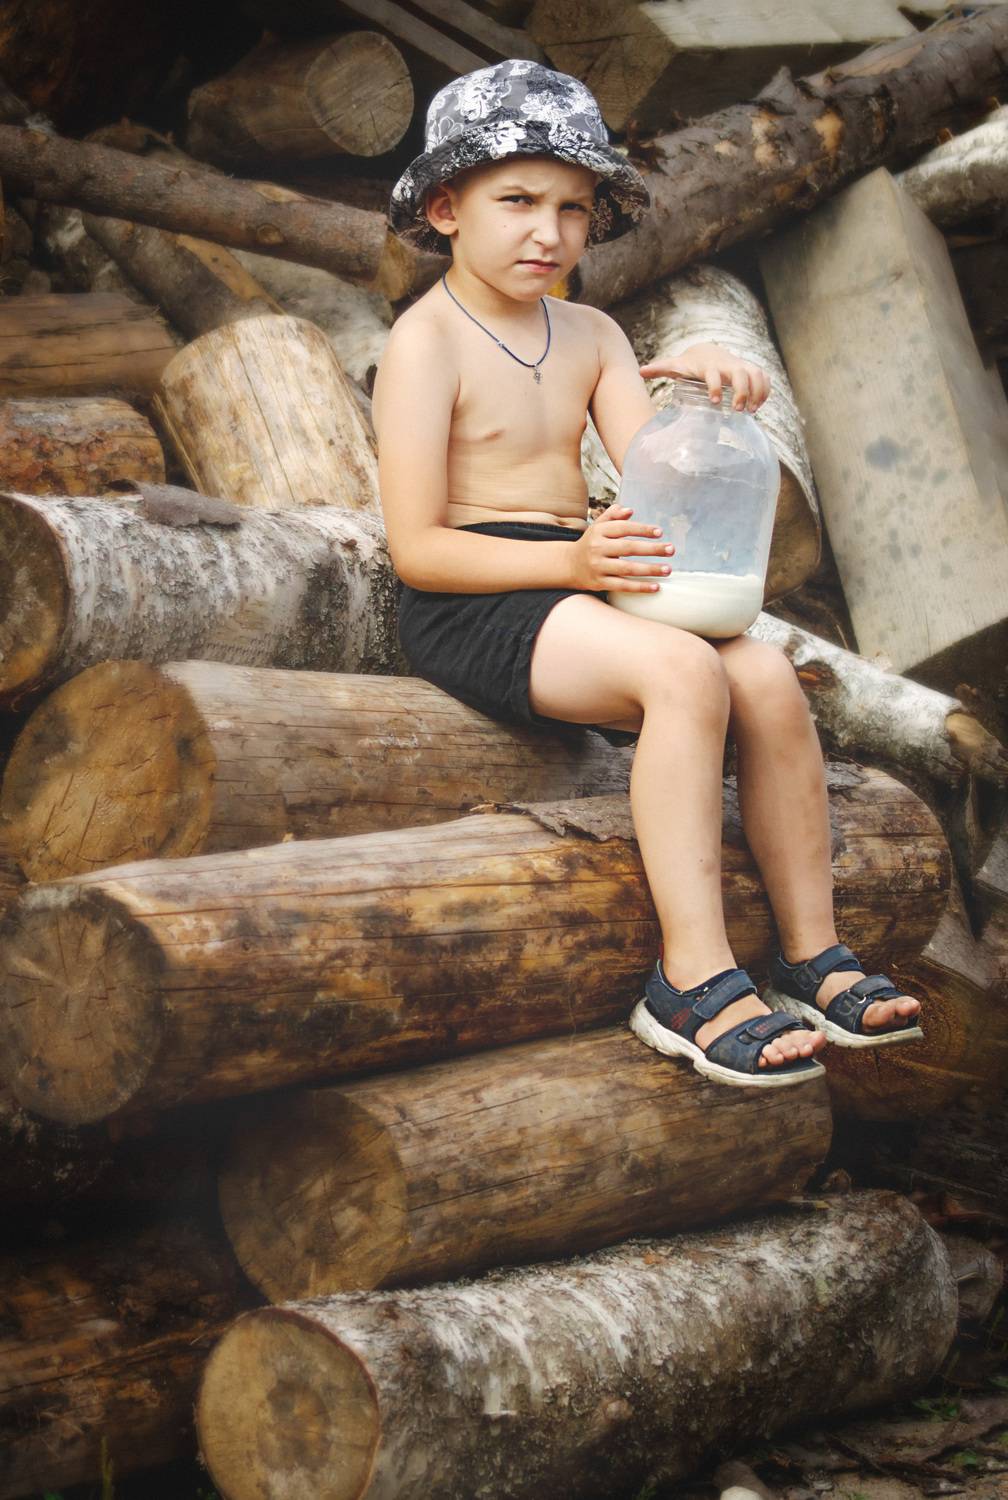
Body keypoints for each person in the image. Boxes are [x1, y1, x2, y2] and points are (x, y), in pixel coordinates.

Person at [373, 59, 923, 1088]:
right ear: (446, 209)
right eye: (517, 201)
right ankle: (691, 974)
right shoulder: (426, 341)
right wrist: (574, 557)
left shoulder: (591, 333)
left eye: (573, 208)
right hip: (474, 597)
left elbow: (656, 473)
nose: (549, 232)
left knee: (763, 673)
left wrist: (709, 400)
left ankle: (811, 951)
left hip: (581, 583)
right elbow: (417, 548)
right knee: (684, 671)